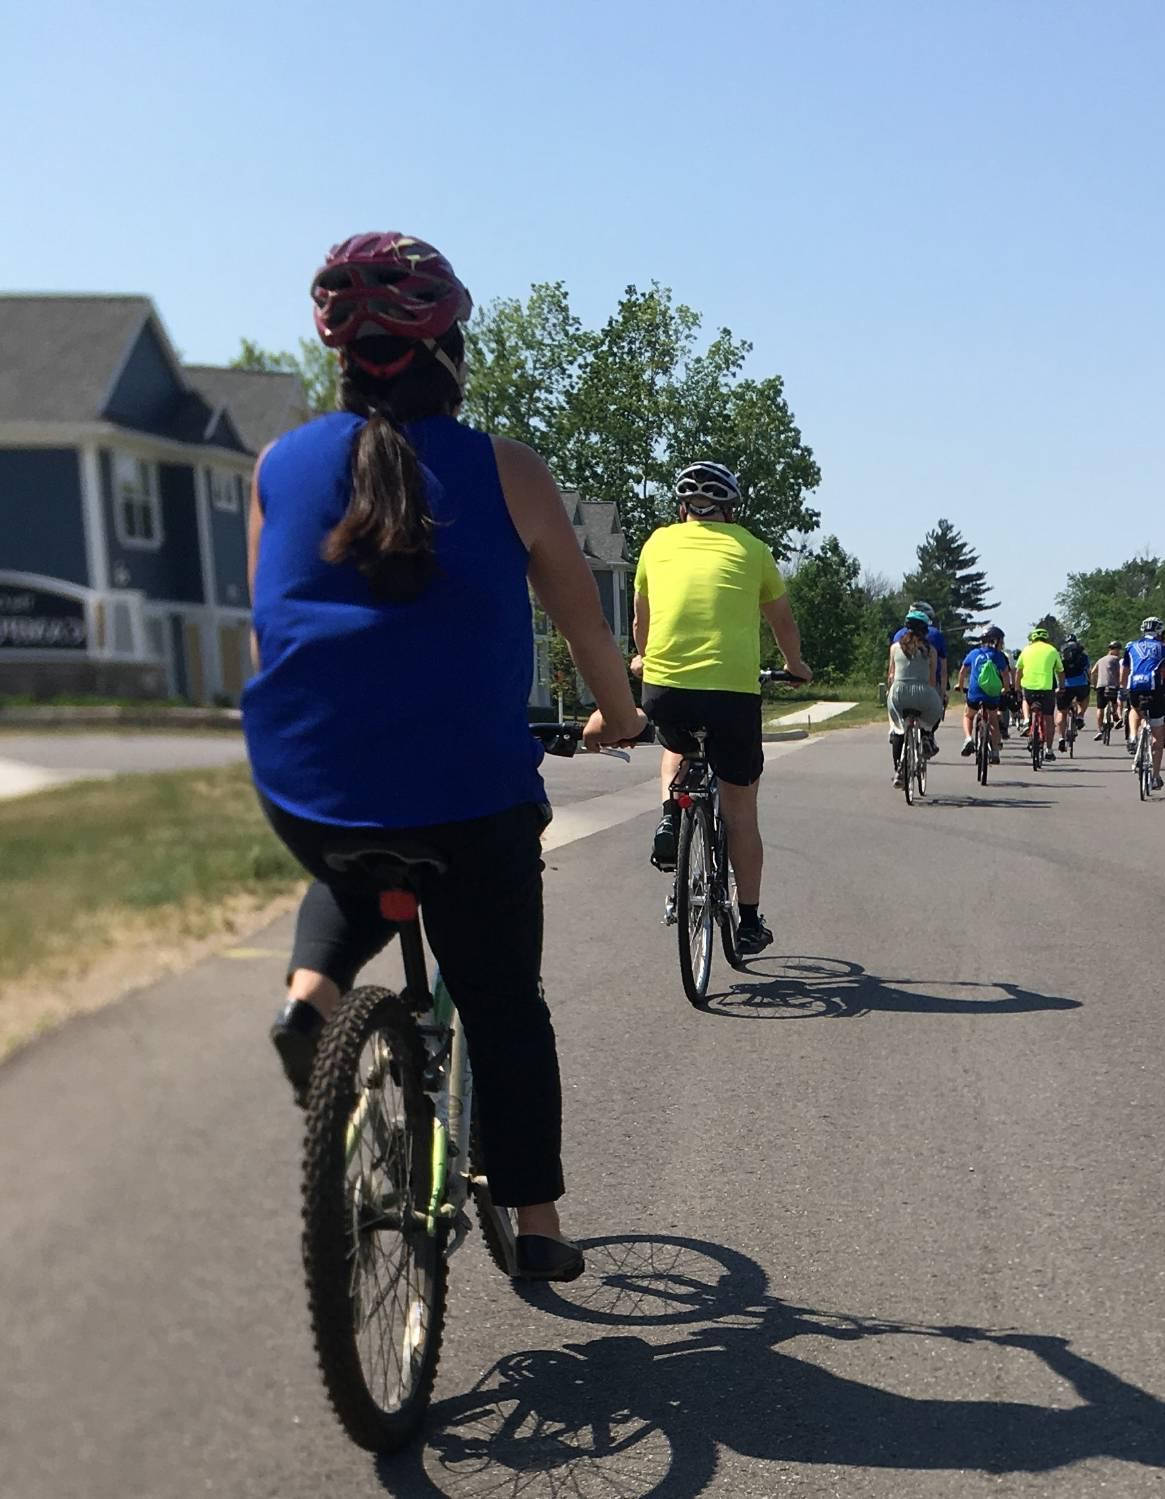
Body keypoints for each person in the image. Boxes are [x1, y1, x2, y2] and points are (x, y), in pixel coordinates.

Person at [248, 232, 645, 1281]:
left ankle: (313, 994)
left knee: (353, 849)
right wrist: (623, 717)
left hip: (307, 772)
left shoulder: (279, 466)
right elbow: (586, 631)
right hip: (468, 788)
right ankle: (541, 1218)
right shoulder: (504, 468)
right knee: (504, 1000)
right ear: (451, 352)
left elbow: (270, 627)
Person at [632, 460, 811, 956]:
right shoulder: (752, 549)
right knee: (741, 810)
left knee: (677, 743)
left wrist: (643, 657)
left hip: (664, 686)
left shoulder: (656, 543)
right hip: (732, 694)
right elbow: (782, 620)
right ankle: (750, 920)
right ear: (730, 510)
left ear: (682, 508)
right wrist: (795, 665)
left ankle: (671, 814)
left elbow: (641, 621)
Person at [886, 609, 945, 785]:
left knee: (898, 729)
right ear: (925, 630)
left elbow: (891, 675)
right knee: (934, 712)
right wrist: (939, 697)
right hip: (923, 693)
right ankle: (926, 736)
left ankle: (898, 770)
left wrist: (890, 694)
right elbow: (933, 680)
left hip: (899, 693)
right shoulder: (930, 650)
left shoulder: (894, 648)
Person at [1122, 618, 1165, 791]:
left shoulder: (1131, 646)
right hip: (1156, 691)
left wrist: (1123, 688)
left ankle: (1132, 736)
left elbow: (1125, 670)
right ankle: (1155, 777)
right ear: (1160, 632)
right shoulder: (1164, 648)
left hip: (1135, 688)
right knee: (1157, 737)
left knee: (1135, 709)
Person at [893, 600, 950, 756]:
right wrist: (942, 693)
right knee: (934, 712)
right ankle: (927, 736)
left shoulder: (897, 637)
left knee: (897, 721)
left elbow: (892, 672)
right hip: (926, 686)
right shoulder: (934, 639)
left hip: (899, 689)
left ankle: (895, 734)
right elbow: (941, 670)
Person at [958, 625, 1012, 755]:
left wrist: (960, 686)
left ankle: (968, 738)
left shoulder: (974, 653)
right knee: (993, 719)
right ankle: (995, 752)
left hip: (975, 693)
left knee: (968, 715)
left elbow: (962, 672)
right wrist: (1005, 689)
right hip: (992, 694)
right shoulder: (998, 656)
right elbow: (1005, 674)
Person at [1016, 626, 1064, 756]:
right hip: (1047, 688)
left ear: (1032, 638)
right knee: (1048, 718)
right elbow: (1060, 671)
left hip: (1029, 687)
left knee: (1026, 699)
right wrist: (1062, 687)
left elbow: (1018, 671)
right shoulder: (1052, 650)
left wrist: (1016, 688)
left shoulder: (1026, 650)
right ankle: (1049, 749)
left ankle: (1026, 719)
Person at [1056, 632, 1092, 747]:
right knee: (1085, 697)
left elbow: (1058, 671)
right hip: (1081, 683)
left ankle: (1061, 738)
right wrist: (1090, 682)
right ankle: (1080, 716)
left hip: (1065, 685)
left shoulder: (1061, 654)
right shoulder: (1082, 653)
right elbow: (1087, 670)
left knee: (1062, 712)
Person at [1092, 642, 1124, 742]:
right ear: (1113, 650)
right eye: (1118, 650)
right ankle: (1115, 715)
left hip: (1100, 685)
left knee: (1100, 707)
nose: (1119, 652)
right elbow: (1120, 672)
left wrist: (1093, 683)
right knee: (1115, 702)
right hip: (1112, 685)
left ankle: (1100, 730)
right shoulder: (1116, 660)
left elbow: (1093, 672)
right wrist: (1120, 683)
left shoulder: (1100, 659)